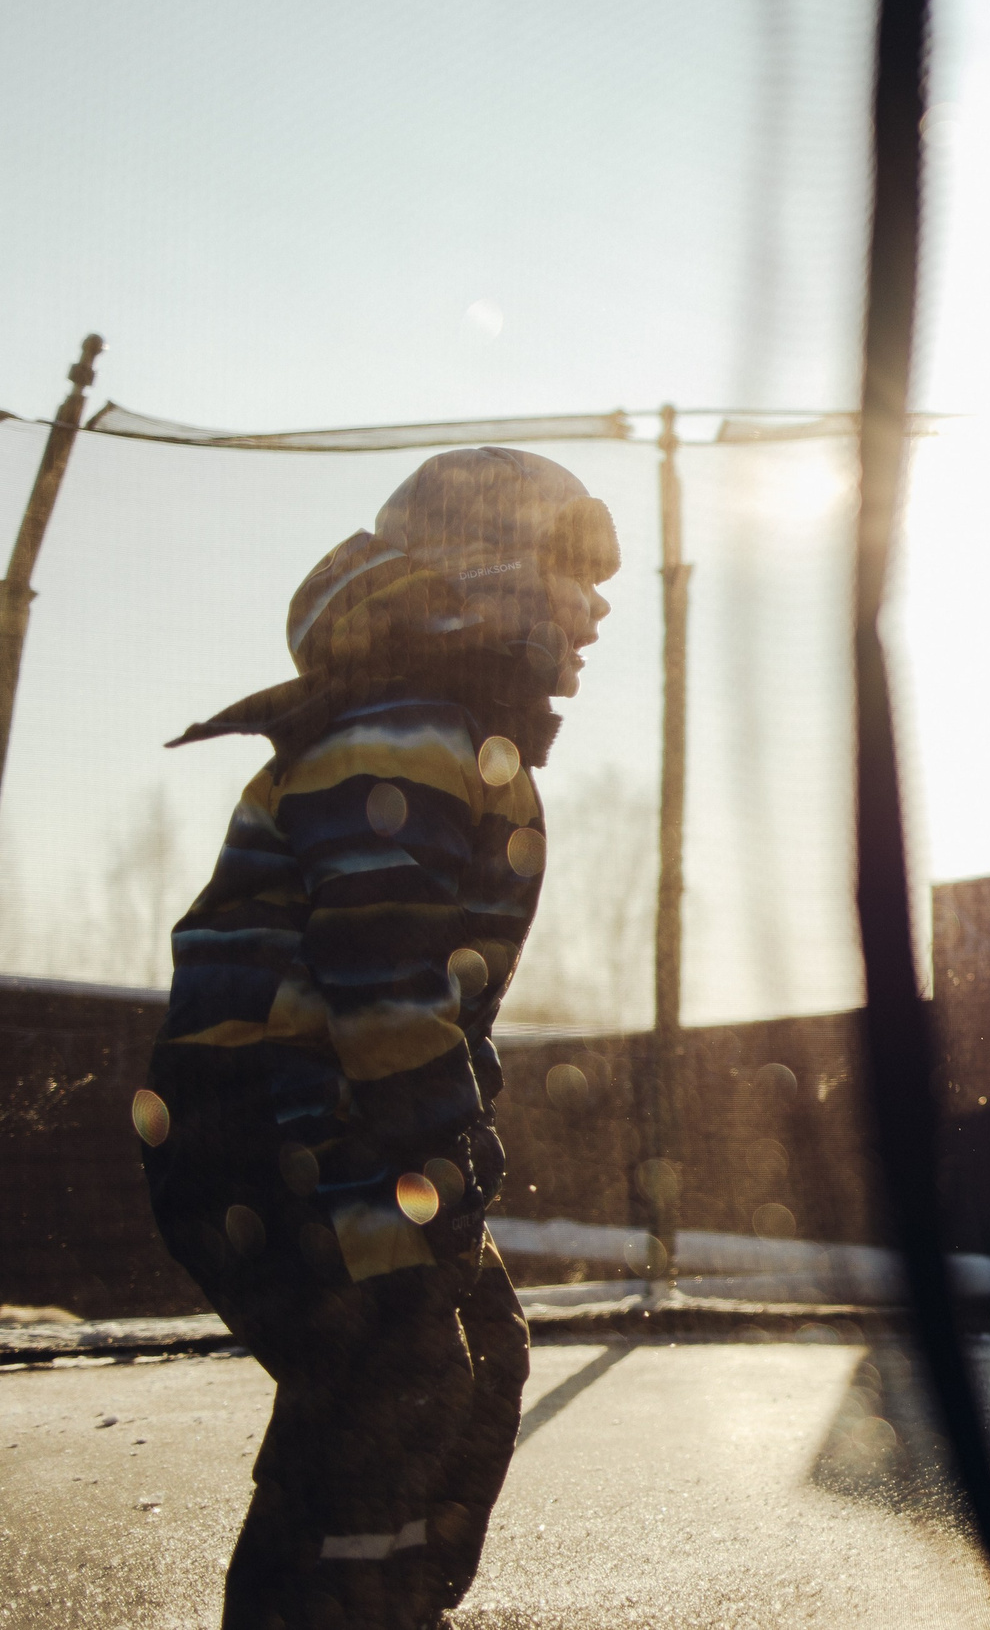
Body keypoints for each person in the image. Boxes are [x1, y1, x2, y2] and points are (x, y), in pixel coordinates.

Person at [133, 447, 617, 1627]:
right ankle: (337, 1602)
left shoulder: (454, 731)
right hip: (275, 1133)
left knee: (474, 1358)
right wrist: (431, 1149)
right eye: (572, 570)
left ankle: (390, 1601)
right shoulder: (402, 733)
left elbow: (434, 994)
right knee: (386, 1377)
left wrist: (444, 1142)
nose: (598, 606)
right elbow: (381, 975)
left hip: (346, 1126)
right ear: (485, 574)